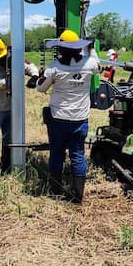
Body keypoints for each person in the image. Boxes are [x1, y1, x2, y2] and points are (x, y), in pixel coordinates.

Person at [36, 29, 100, 203]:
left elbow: (40, 88)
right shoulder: (89, 64)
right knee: (78, 154)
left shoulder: (55, 67)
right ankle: (77, 195)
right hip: (80, 119)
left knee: (57, 154)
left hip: (59, 119)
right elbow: (97, 64)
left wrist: (40, 77)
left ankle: (55, 191)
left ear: (62, 49)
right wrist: (92, 47)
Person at [0, 36, 39, 176]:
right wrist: (16, 79)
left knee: (9, 137)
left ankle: (5, 165)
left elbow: (29, 65)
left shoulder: (11, 57)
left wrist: (34, 76)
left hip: (11, 108)